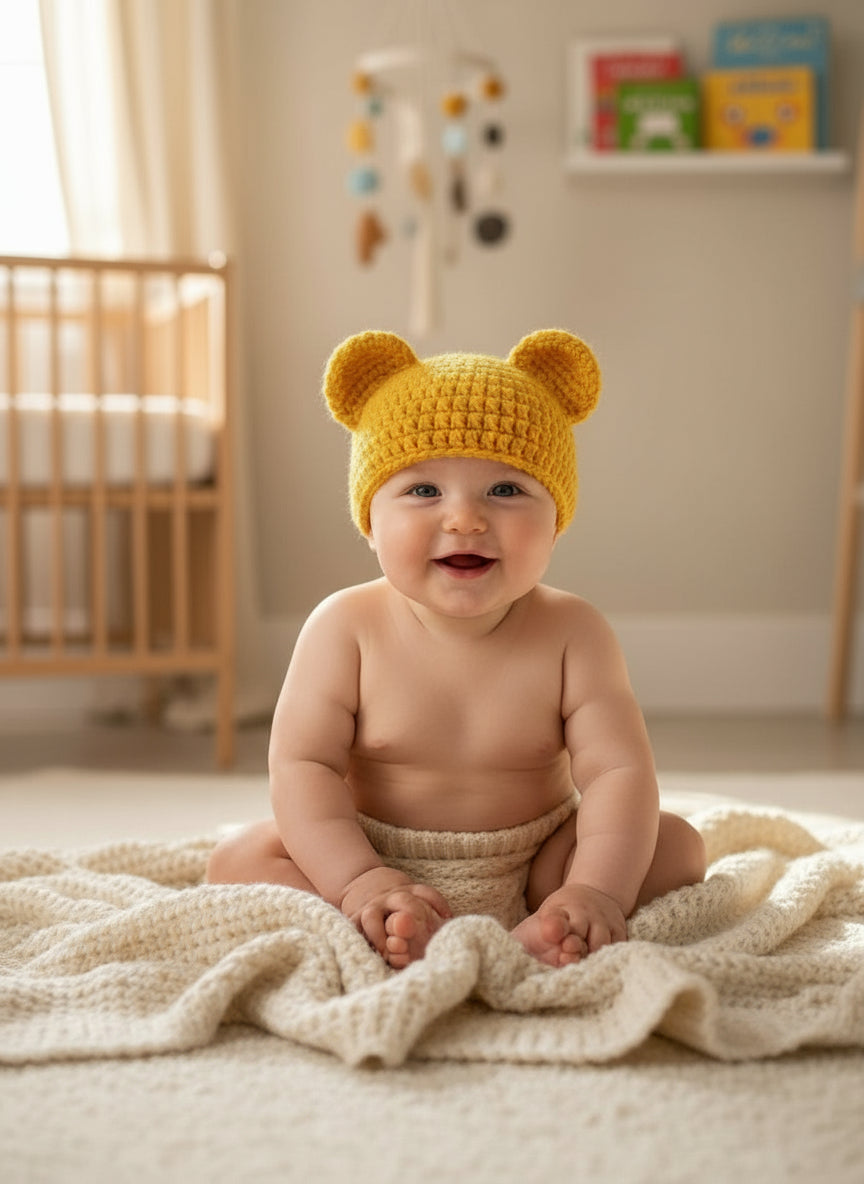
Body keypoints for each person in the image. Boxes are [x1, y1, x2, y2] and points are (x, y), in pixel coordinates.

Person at [207, 329, 707, 970]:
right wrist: (357, 879)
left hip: (541, 861)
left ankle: (554, 921)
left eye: (506, 490)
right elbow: (304, 767)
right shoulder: (344, 627)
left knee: (676, 844)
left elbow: (617, 773)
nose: (465, 519)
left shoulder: (575, 632)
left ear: (556, 520)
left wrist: (595, 889)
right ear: (370, 522)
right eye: (423, 491)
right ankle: (384, 919)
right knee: (238, 859)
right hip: (369, 849)